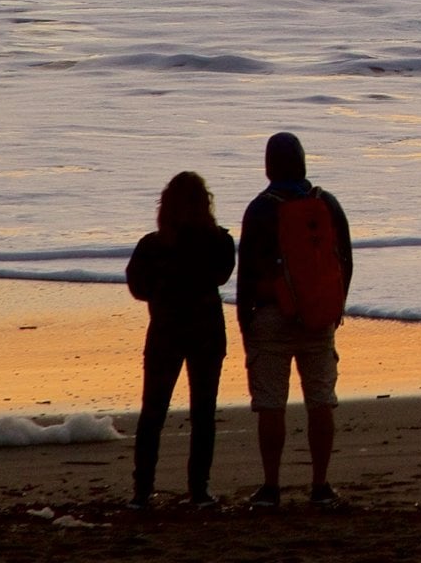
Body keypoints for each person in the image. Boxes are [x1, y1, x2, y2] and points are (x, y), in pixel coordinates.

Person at [237, 131, 355, 509]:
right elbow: (346, 261)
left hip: (271, 315)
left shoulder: (260, 209)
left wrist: (245, 321)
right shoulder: (327, 203)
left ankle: (271, 487)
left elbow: (247, 272)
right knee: (320, 400)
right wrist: (335, 307)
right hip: (319, 317)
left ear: (269, 166)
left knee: (271, 404)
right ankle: (320, 486)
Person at [123, 170, 236, 510]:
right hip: (206, 330)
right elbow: (222, 274)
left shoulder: (152, 246)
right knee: (203, 412)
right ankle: (198, 490)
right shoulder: (220, 241)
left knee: (153, 412)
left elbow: (137, 288)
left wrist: (164, 289)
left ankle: (142, 491)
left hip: (166, 330)